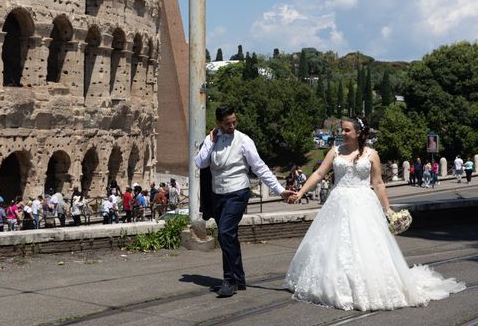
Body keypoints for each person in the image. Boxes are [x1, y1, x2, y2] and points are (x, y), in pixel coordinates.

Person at [285, 116, 465, 311]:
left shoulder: (372, 154)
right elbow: (319, 174)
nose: (342, 134)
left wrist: (387, 209)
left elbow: (378, 183)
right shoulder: (335, 151)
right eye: (342, 130)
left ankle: (367, 285)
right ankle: (335, 285)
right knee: (333, 246)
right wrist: (301, 192)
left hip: (363, 203)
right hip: (337, 203)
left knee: (366, 246)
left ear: (359, 133)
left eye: (346, 130)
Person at [195, 104, 294, 298]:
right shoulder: (211, 139)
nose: (232, 126)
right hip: (218, 194)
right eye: (227, 123)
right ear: (218, 123)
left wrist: (280, 190)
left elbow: (260, 167)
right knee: (229, 235)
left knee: (224, 233)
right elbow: (200, 163)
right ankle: (239, 278)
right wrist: (211, 142)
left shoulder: (244, 141)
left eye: (234, 122)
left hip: (238, 192)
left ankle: (229, 280)